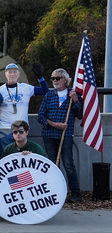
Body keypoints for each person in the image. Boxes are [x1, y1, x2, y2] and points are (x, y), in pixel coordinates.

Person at [37, 68, 83, 203]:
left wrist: (75, 101)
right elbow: (41, 117)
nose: (54, 81)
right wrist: (55, 124)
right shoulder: (49, 95)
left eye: (57, 78)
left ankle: (75, 194)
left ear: (65, 80)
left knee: (69, 164)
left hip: (66, 135)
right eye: (53, 78)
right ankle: (54, 192)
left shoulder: (73, 95)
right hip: (49, 134)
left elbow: (80, 115)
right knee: (52, 165)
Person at [0, 62, 48, 158]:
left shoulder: (26, 88)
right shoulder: (0, 90)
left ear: (18, 74)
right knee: (7, 159)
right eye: (9, 72)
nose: (12, 74)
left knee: (23, 159)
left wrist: (40, 77)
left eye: (14, 72)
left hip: (22, 129)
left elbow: (44, 91)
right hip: (5, 129)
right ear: (5, 74)